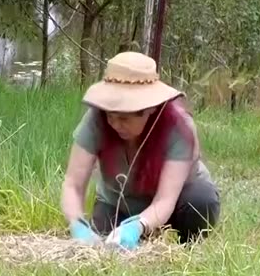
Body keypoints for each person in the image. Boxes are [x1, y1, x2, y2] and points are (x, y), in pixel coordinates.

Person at [60, 51, 220, 248]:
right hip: (118, 202)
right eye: (111, 116)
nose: (115, 125)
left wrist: (139, 226)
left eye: (124, 118)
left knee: (200, 201)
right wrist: (77, 225)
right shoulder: (96, 120)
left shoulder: (179, 128)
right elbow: (73, 184)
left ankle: (186, 246)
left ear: (151, 109)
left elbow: (165, 199)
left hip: (177, 203)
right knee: (104, 241)